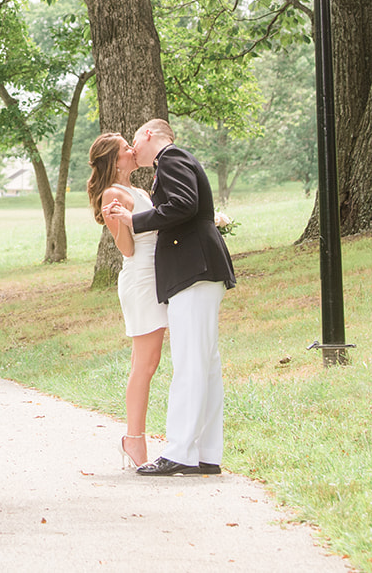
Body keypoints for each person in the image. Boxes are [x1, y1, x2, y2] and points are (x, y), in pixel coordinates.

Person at [103, 118, 235, 476]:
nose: (134, 148)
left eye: (135, 140)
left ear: (148, 135)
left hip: (193, 272)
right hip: (198, 271)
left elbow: (184, 205)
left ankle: (180, 452)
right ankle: (206, 454)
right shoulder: (173, 161)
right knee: (205, 366)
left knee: (192, 365)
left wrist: (136, 220)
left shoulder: (172, 157)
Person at [85, 132, 166, 470]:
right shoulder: (111, 195)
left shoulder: (140, 191)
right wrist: (117, 221)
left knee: (146, 363)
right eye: (124, 149)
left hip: (155, 277)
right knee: (145, 365)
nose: (132, 151)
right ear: (114, 160)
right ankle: (134, 439)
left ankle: (134, 438)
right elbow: (127, 248)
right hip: (140, 280)